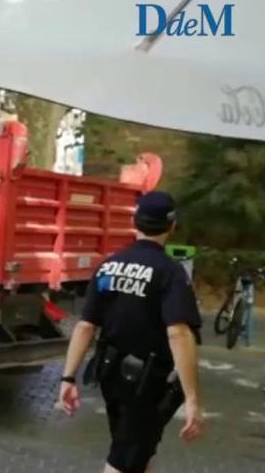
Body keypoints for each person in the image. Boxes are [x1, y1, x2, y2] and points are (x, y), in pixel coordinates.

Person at [58, 191, 204, 473]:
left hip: (111, 376)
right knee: (123, 460)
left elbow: (86, 325)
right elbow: (178, 334)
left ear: (134, 223)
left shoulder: (108, 266)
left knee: (135, 454)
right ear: (172, 227)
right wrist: (192, 399)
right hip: (149, 385)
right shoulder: (170, 272)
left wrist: (67, 377)